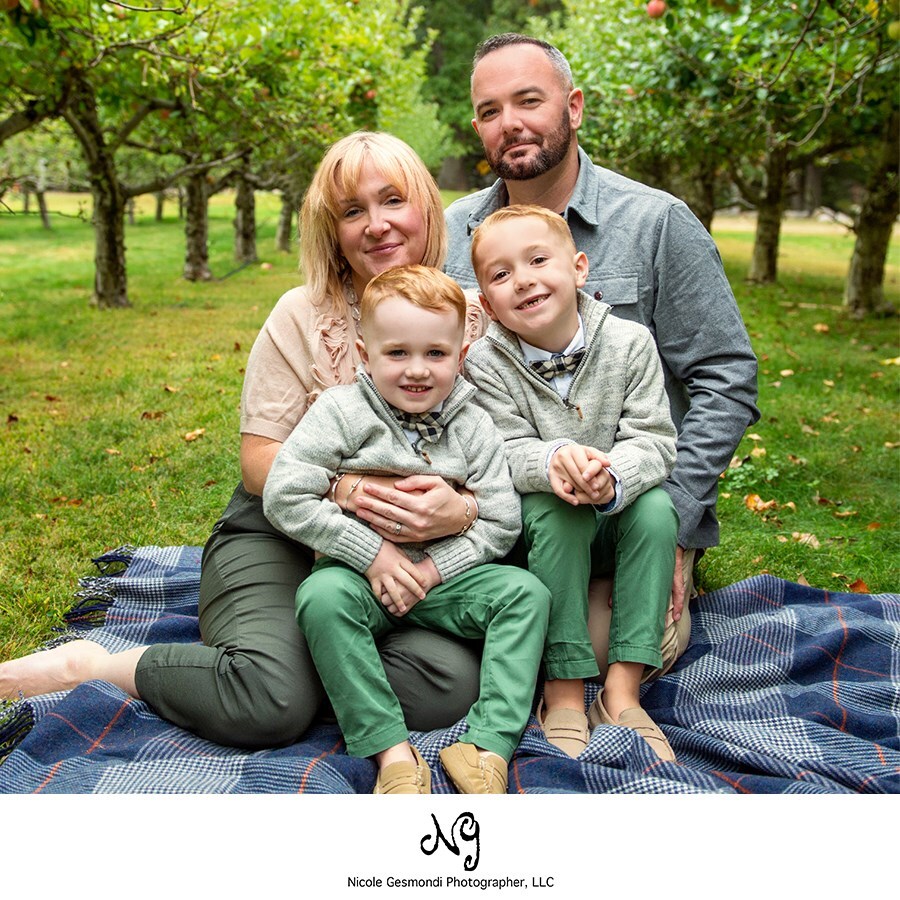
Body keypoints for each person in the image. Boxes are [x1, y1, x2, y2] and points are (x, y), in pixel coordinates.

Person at [0, 132, 486, 750]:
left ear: (426, 205)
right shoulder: (300, 314)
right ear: (330, 230)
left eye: (393, 200)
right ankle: (95, 666)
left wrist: (462, 508)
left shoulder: (473, 317)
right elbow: (260, 463)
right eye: (352, 211)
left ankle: (291, 669)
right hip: (283, 529)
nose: (377, 225)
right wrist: (350, 490)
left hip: (419, 555)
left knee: (444, 687)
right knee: (269, 704)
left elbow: (507, 453)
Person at [444, 33, 760, 677]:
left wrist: (674, 517)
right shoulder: (454, 234)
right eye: (489, 111)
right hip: (503, 504)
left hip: (628, 507)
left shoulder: (657, 223)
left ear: (574, 107)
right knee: (463, 653)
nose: (510, 124)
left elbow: (727, 377)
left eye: (529, 100)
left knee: (595, 652)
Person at [263, 265, 550, 794]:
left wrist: (435, 569)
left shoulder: (473, 425)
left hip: (444, 583)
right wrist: (370, 553)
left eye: (436, 354)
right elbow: (284, 493)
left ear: (460, 358)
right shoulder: (341, 413)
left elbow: (502, 521)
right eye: (397, 353)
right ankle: (392, 753)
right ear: (363, 353)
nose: (417, 370)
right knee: (321, 597)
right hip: (359, 578)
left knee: (526, 594)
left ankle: (487, 748)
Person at [466, 205, 679, 761]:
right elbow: (499, 451)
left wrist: (612, 476)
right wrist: (554, 459)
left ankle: (622, 690)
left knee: (658, 510)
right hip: (547, 532)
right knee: (555, 513)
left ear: (579, 268)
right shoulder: (486, 363)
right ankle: (563, 691)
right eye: (501, 274)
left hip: (618, 513)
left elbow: (655, 439)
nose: (525, 279)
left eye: (538, 260)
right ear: (487, 304)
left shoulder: (630, 343)